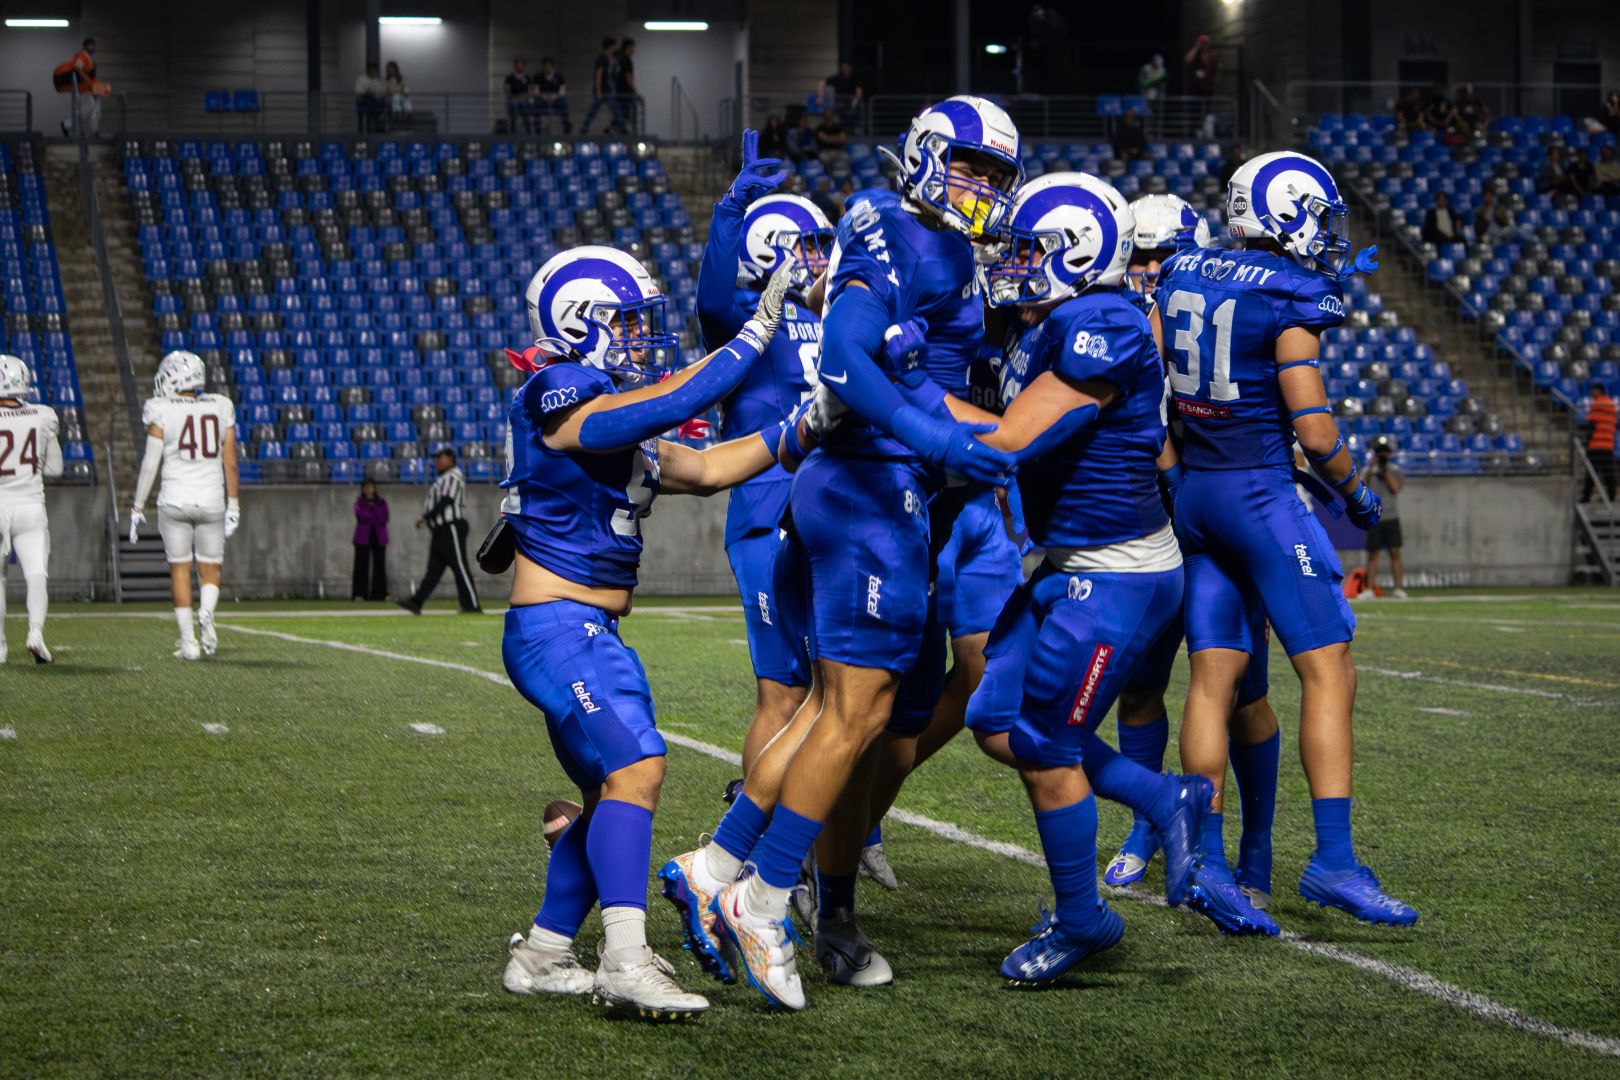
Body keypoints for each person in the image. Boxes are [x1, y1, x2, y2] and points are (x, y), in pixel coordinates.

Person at [673, 96, 1022, 1013]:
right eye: (971, 167)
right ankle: (763, 898)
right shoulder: (901, 230)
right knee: (850, 713)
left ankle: (719, 866)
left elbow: (905, 368)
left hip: (867, 491)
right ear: (926, 156)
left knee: (839, 711)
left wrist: (949, 423)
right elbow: (843, 359)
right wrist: (934, 435)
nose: (982, 188)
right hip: (870, 491)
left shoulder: (931, 242)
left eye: (996, 175)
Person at [495, 245, 799, 1019]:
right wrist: (752, 339)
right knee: (638, 766)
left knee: (609, 794)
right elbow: (666, 402)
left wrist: (806, 427)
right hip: (558, 625)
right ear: (579, 323)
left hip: (580, 625)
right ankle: (625, 960)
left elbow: (710, 468)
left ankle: (543, 953)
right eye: (626, 322)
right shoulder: (560, 391)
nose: (641, 337)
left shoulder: (607, 420)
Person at [1158, 149, 1417, 934]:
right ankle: (1333, 860)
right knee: (1329, 668)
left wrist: (1178, 473)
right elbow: (1314, 430)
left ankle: (1206, 861)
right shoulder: (1290, 292)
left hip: (1197, 497)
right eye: (1318, 215)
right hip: (1260, 497)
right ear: (1286, 210)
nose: (1327, 233)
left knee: (1213, 680)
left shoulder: (1182, 270)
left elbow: (1152, 392)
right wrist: (1356, 493)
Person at [1105, 194, 1284, 916]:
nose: (1151, 271)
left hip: (1219, 522)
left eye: (1163, 257)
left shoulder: (1231, 316)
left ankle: (1255, 849)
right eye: (1141, 258)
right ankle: (1147, 826)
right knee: (1141, 683)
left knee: (1244, 692)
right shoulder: (1114, 320)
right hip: (1145, 524)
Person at [128, 351, 241, 661]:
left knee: (179, 569)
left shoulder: (161, 409)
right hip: (212, 498)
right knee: (211, 568)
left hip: (175, 499)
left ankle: (189, 642)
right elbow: (230, 463)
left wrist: (138, 507)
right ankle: (207, 611)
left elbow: (150, 464)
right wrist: (234, 504)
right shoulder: (220, 406)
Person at [0, 355, 62, 664]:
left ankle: (0, 646)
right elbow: (55, 469)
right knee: (37, 574)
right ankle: (35, 634)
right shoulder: (42, 415)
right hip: (30, 505)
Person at [398, 447, 480, 615]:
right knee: (434, 570)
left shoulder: (453, 475)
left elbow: (446, 500)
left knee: (459, 566)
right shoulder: (443, 478)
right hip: (440, 530)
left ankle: (472, 605)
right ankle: (416, 602)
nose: (437, 461)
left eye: (440, 457)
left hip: (451, 527)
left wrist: (426, 517)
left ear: (450, 459)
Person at [1362, 436, 1407, 598]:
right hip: (1375, 516)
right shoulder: (1368, 470)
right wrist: (1370, 469)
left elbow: (1395, 489)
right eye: (1379, 453)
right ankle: (1368, 589)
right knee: (1372, 554)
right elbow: (1361, 487)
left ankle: (1398, 588)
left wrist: (1385, 472)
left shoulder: (1395, 470)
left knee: (1395, 553)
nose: (1382, 455)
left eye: (1385, 453)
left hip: (1391, 516)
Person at [53, 37, 108, 138]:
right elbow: (77, 68)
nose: (92, 47)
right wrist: (90, 84)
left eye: (93, 45)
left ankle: (94, 131)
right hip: (86, 88)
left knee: (97, 109)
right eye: (90, 45)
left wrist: (98, 88)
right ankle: (66, 125)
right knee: (85, 114)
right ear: (85, 46)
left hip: (91, 87)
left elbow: (90, 75)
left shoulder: (89, 59)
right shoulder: (83, 55)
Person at [352, 479, 390, 602]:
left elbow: (384, 517)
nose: (368, 490)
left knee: (380, 566)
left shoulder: (382, 502)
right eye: (366, 487)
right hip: (363, 536)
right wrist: (373, 513)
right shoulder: (359, 502)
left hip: (379, 536)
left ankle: (380, 594)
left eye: (371, 487)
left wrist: (372, 512)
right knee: (361, 566)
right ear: (363, 489)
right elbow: (362, 516)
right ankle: (359, 593)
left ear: (374, 488)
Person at [579, 37, 622, 135]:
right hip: (604, 91)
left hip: (606, 90)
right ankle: (583, 131)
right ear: (610, 47)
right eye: (614, 47)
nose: (615, 49)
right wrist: (599, 91)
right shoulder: (602, 58)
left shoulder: (608, 59)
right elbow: (599, 75)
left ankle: (583, 131)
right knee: (613, 111)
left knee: (598, 111)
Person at [1582, 382, 1617, 503]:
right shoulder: (1611, 405)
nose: (1591, 393)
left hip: (1596, 444)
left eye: (1593, 390)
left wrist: (1586, 443)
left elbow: (1591, 424)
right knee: (1608, 473)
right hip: (1608, 445)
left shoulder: (1597, 404)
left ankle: (1586, 498)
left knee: (1591, 474)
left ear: (1599, 391)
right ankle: (1611, 497)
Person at [532, 58, 569, 134]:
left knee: (563, 100)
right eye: (546, 66)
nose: (548, 68)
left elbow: (562, 91)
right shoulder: (538, 76)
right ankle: (537, 129)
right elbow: (536, 91)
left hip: (556, 99)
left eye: (549, 66)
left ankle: (566, 125)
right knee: (536, 102)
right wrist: (544, 97)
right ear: (543, 67)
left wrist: (555, 96)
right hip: (543, 99)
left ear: (552, 66)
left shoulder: (559, 77)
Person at [822, 60, 864, 127]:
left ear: (850, 68)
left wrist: (854, 104)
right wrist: (820, 97)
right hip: (840, 103)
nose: (845, 69)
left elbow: (859, 91)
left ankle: (852, 112)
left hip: (852, 103)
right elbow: (822, 83)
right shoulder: (837, 78)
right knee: (838, 110)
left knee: (855, 103)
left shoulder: (855, 78)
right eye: (843, 68)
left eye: (847, 67)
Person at [613, 38, 638, 133]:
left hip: (619, 91)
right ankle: (620, 131)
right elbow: (628, 77)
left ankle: (618, 130)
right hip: (625, 92)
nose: (634, 50)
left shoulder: (620, 59)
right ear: (628, 47)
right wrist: (635, 90)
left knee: (622, 114)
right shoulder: (626, 60)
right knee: (624, 114)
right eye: (633, 48)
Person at [354, 62, 387, 133]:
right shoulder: (361, 79)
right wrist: (369, 91)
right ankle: (373, 126)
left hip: (376, 100)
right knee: (370, 98)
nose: (373, 72)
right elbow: (359, 91)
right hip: (364, 100)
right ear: (368, 70)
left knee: (381, 104)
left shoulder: (378, 81)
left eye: (375, 71)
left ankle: (378, 126)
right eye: (371, 70)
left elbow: (382, 92)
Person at [505, 58, 534, 134]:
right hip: (513, 99)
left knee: (525, 108)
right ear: (515, 66)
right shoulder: (510, 77)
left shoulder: (527, 77)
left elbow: (530, 91)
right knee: (513, 108)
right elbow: (507, 91)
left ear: (524, 67)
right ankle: (513, 132)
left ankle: (528, 132)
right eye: (517, 65)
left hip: (524, 99)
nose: (519, 67)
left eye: (521, 66)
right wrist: (514, 97)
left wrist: (524, 97)